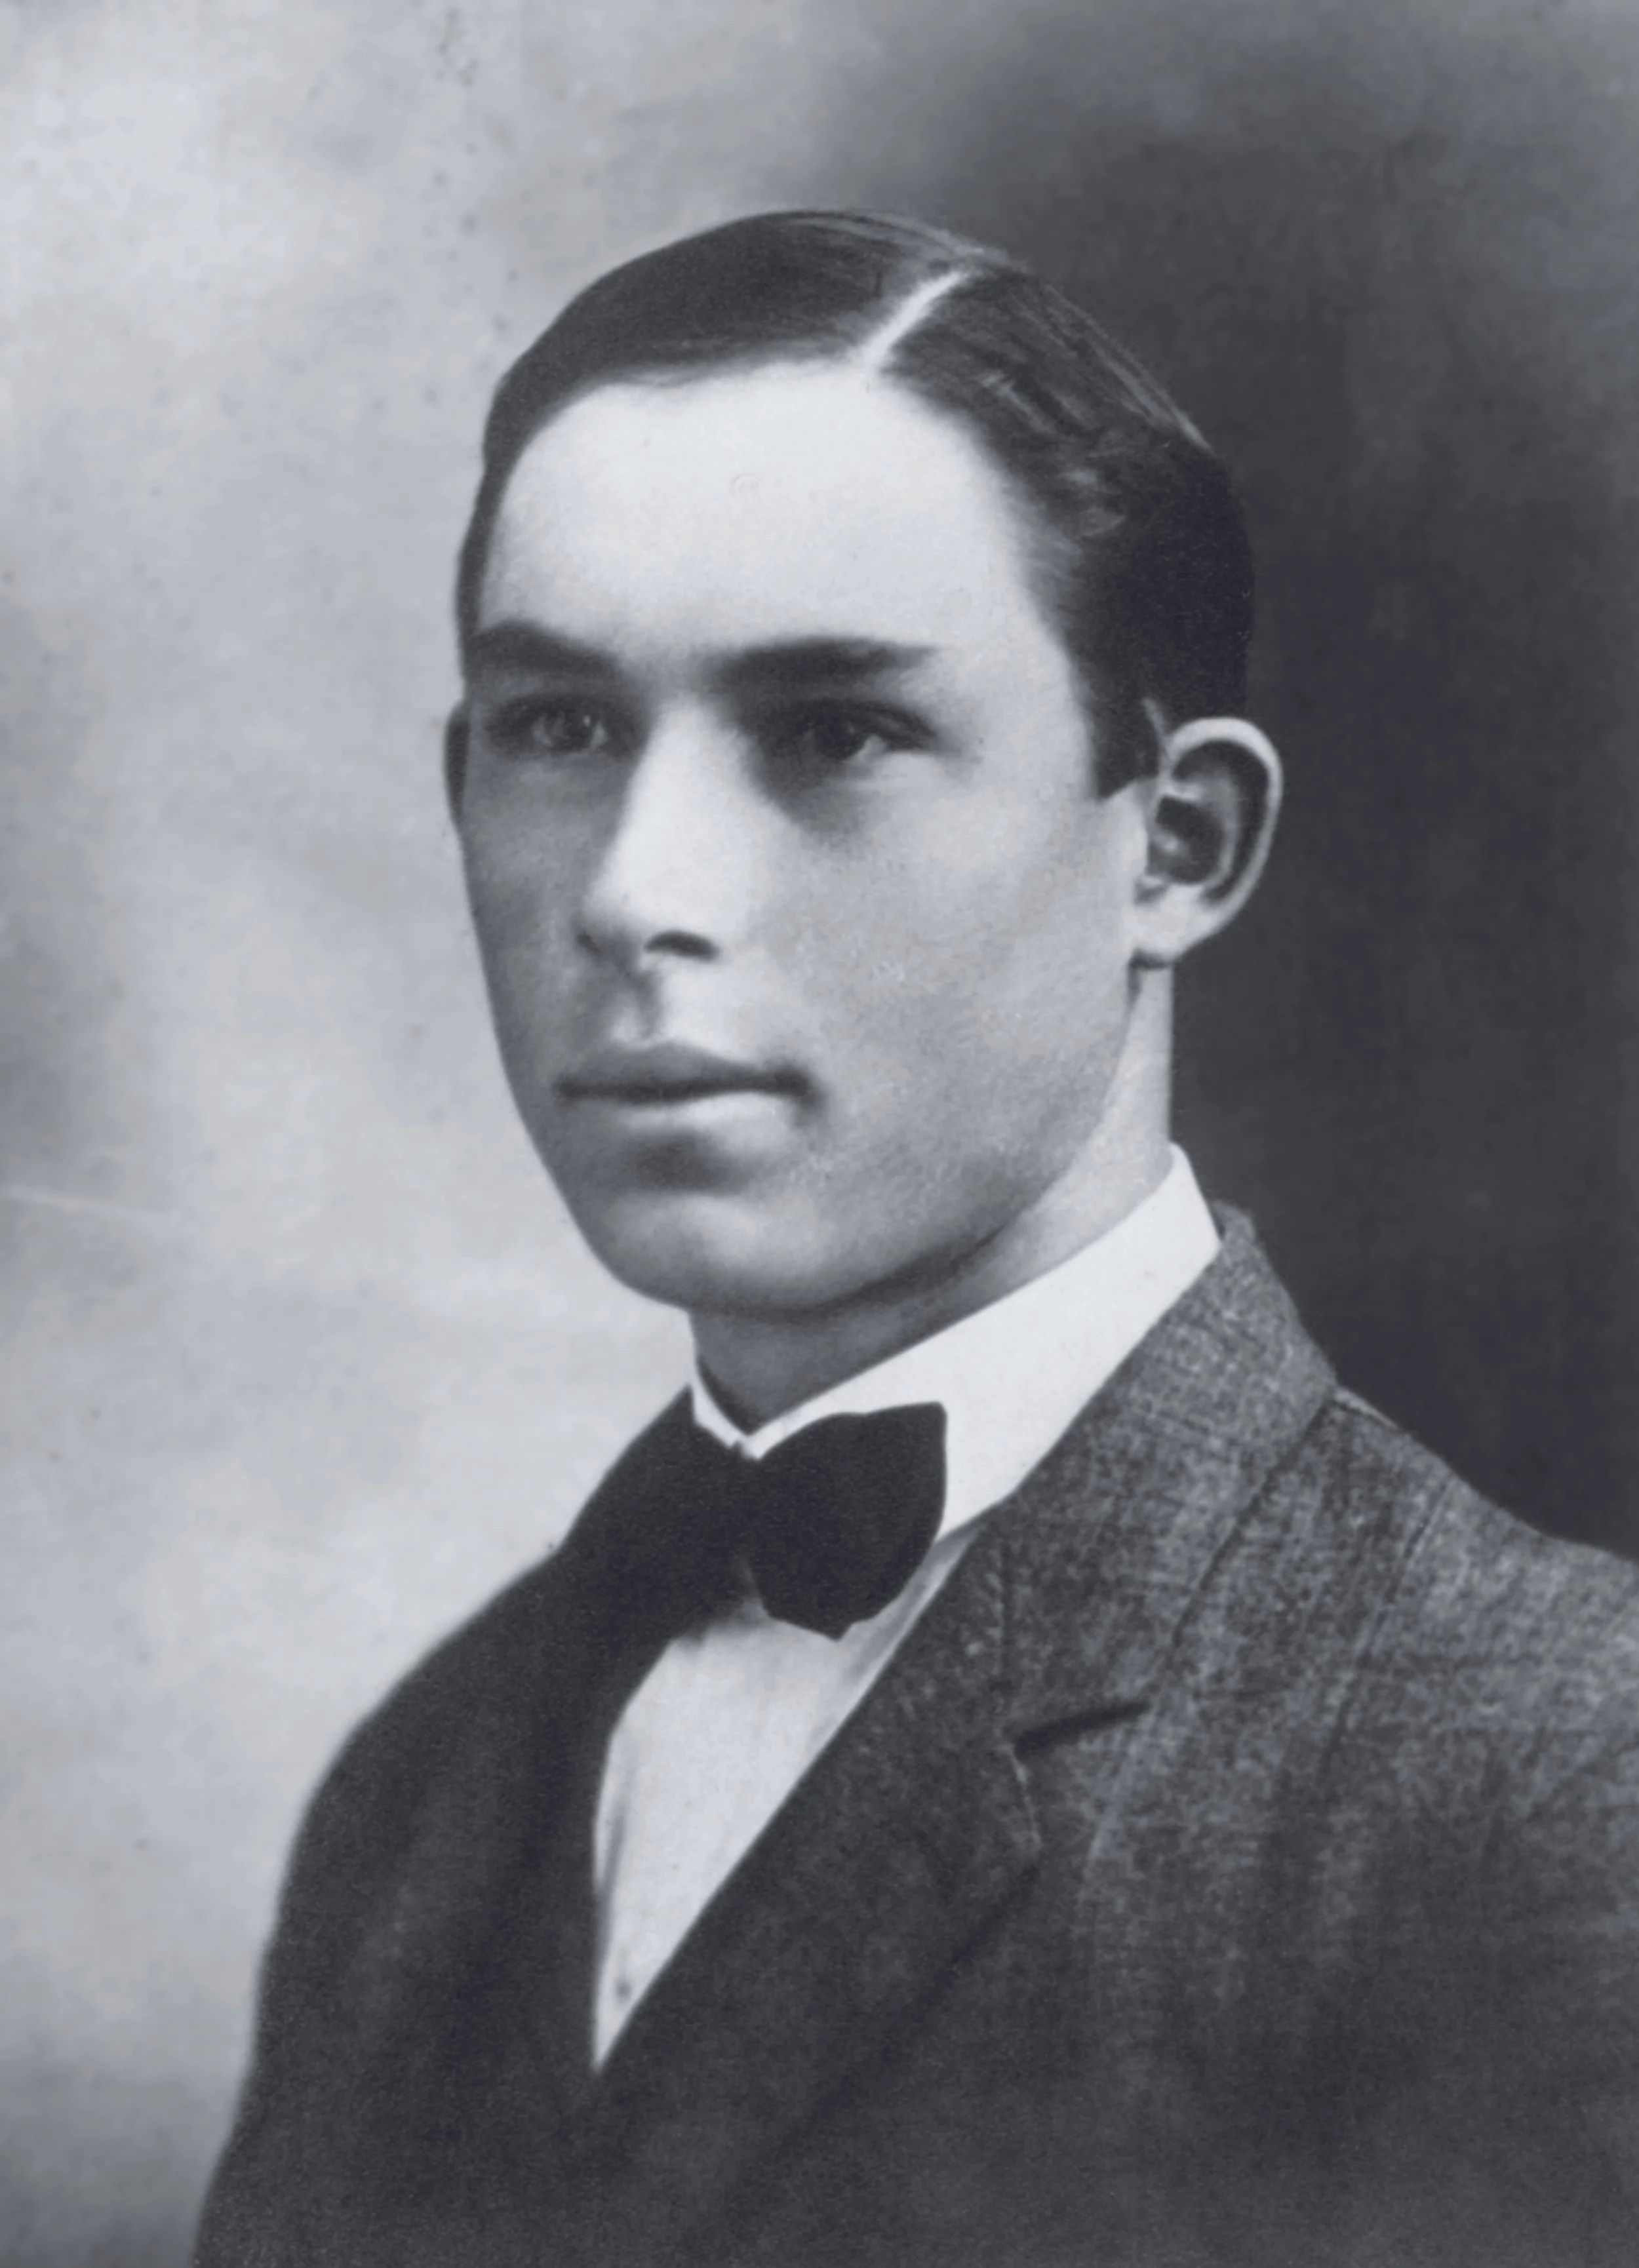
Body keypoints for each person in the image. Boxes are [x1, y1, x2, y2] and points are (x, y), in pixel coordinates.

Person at [194, 210, 1639, 2268]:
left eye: (833, 731)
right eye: (561, 728)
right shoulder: (427, 1777)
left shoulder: (1548, 1769)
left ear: (1174, 844)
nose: (634, 889)